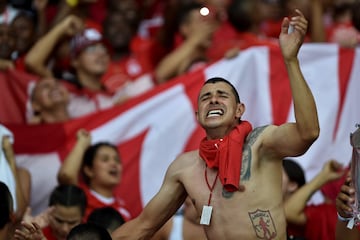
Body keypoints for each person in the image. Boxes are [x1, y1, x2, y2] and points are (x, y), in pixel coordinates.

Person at [111, 9, 319, 240]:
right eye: (205, 97)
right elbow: (143, 226)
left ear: (239, 110)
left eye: (222, 95)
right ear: (198, 114)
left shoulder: (262, 142)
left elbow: (308, 132)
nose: (213, 100)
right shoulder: (184, 168)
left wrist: (290, 60)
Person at [57, 129, 131, 221]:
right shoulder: (80, 198)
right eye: (105, 159)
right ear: (89, 170)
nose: (114, 164)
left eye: (117, 160)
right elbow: (66, 175)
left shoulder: (124, 209)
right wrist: (82, 143)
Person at [283, 158, 344, 240]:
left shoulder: (329, 214)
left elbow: (288, 212)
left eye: (275, 173)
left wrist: (324, 176)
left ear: (292, 185)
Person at [14, 184, 87, 240]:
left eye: (72, 223)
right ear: (49, 212)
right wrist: (25, 231)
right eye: (59, 221)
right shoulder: (35, 235)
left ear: (82, 218)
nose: (64, 229)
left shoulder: (91, 236)